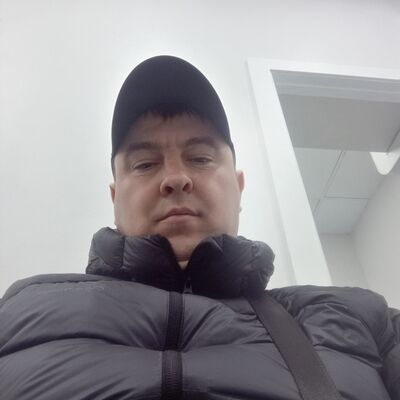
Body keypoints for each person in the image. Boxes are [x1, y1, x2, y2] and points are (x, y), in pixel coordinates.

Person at [0, 55, 399, 400]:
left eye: (200, 158)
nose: (175, 178)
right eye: (145, 164)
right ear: (115, 198)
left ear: (238, 188)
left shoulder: (359, 320)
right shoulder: (20, 312)